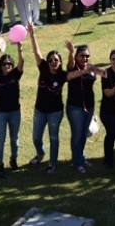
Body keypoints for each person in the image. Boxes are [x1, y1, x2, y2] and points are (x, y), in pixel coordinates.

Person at [27, 23, 67, 174]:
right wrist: (32, 35)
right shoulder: (43, 68)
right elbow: (37, 52)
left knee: (53, 138)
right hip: (40, 110)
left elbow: (74, 73)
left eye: (55, 60)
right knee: (36, 137)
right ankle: (40, 154)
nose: (52, 62)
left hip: (55, 112)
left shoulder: (62, 75)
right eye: (50, 59)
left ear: (60, 62)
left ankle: (52, 163)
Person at [64, 42, 106, 174]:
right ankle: (77, 163)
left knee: (83, 134)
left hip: (89, 106)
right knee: (76, 135)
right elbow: (70, 65)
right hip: (75, 107)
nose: (85, 58)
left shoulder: (92, 68)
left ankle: (81, 158)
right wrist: (71, 51)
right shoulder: (72, 67)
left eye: (87, 56)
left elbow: (105, 74)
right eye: (82, 56)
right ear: (76, 56)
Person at [0, 45, 25, 179]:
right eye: (4, 64)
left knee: (14, 138)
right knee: (1, 140)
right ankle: (0, 165)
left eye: (9, 64)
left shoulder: (16, 74)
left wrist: (20, 49)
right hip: (0, 114)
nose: (6, 66)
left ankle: (13, 160)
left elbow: (21, 63)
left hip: (15, 112)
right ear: (0, 66)